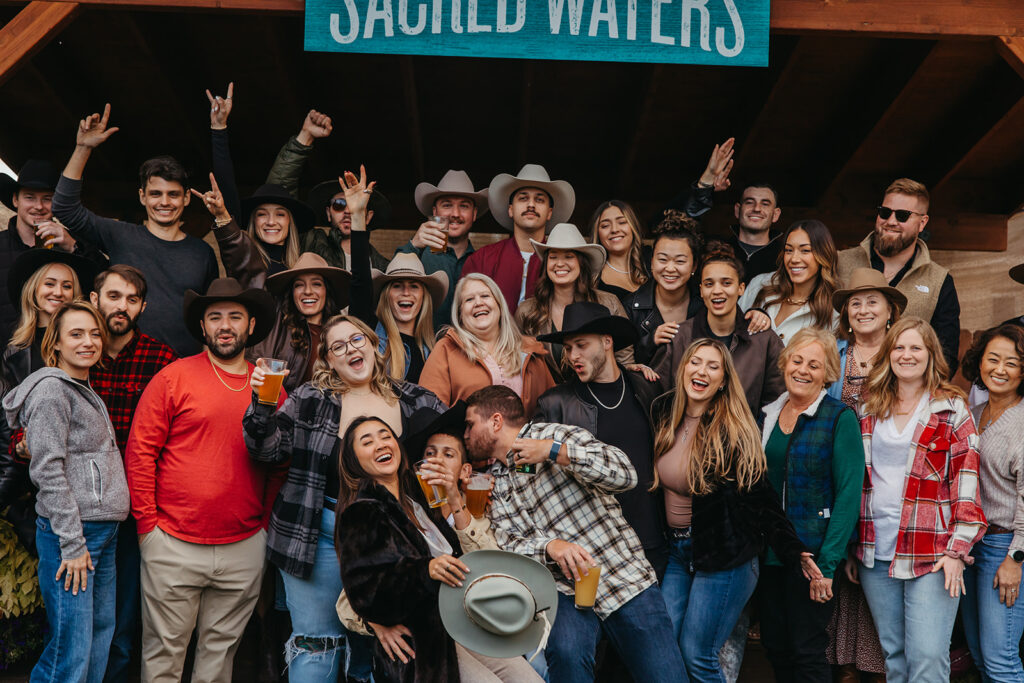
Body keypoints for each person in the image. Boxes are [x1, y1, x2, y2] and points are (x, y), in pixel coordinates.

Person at [242, 313, 445, 682]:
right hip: (316, 532)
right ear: (329, 362)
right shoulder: (310, 400)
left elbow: (451, 451)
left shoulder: (417, 401)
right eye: (337, 346)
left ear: (374, 345)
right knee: (318, 647)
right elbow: (266, 450)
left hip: (391, 538)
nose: (350, 348)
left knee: (383, 648)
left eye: (357, 340)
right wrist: (262, 404)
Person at [462, 385, 686, 683]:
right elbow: (508, 547)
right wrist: (550, 547)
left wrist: (556, 452)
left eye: (469, 424)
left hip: (620, 576)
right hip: (563, 592)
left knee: (666, 677)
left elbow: (626, 474)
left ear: (496, 421)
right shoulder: (496, 484)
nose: (465, 435)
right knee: (566, 656)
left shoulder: (556, 435)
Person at [125, 278, 285, 682]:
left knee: (219, 661)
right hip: (172, 543)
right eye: (215, 317)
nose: (225, 325)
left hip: (244, 545)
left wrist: (263, 530)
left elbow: (281, 465)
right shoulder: (173, 378)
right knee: (163, 657)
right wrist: (148, 528)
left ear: (251, 326)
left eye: (235, 316)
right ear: (202, 327)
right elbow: (140, 452)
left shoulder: (272, 390)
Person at [650, 337, 821, 682]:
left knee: (697, 655)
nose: (702, 371)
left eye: (713, 366)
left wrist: (793, 549)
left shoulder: (733, 429)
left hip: (725, 557)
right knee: (663, 645)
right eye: (695, 362)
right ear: (683, 369)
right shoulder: (664, 413)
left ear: (724, 380)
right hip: (679, 553)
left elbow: (762, 497)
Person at [335, 415, 543, 682]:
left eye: (386, 436)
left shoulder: (418, 503)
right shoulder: (363, 511)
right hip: (426, 645)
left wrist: (455, 496)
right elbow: (362, 590)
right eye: (367, 442)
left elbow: (485, 563)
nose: (380, 444)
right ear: (354, 460)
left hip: (461, 624)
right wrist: (378, 619)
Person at [853, 317, 986, 682]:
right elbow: (858, 480)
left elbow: (967, 482)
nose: (906, 355)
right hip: (876, 550)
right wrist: (854, 547)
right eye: (899, 347)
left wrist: (957, 551)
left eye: (916, 348)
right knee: (893, 656)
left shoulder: (951, 408)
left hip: (934, 549)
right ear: (888, 353)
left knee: (927, 656)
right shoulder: (868, 407)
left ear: (931, 355)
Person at [3, 300, 129, 683]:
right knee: (69, 652)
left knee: (96, 639)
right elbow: (48, 471)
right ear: (55, 343)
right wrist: (72, 544)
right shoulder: (52, 393)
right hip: (74, 537)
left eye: (94, 333)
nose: (88, 342)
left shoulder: (81, 386)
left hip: (102, 533)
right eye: (76, 334)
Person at [52, 104, 219, 356]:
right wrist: (83, 148)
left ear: (186, 199)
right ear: (142, 197)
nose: (164, 202)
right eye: (155, 194)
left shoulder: (202, 252)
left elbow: (210, 317)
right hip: (124, 366)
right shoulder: (120, 235)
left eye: (173, 194)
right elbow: (65, 208)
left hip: (182, 371)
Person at [756, 327, 863, 681]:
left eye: (814, 365)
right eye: (797, 360)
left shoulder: (839, 419)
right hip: (769, 554)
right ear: (784, 364)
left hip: (814, 559)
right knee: (776, 645)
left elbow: (848, 495)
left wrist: (828, 564)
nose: (803, 370)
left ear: (828, 374)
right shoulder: (766, 415)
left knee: (807, 650)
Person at [86, 265, 178, 682]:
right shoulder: (77, 352)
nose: (121, 306)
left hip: (137, 506)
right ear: (94, 299)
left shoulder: (161, 359)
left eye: (131, 299)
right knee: (77, 620)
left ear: (143, 306)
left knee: (124, 621)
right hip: (81, 508)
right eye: (113, 296)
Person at [534, 302, 667, 575]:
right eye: (568, 348)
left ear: (607, 342)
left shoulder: (646, 387)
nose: (573, 355)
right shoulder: (555, 404)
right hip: (595, 545)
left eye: (581, 345)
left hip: (652, 536)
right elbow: (528, 468)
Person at [825, 267, 906, 681]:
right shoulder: (834, 354)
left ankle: (880, 671)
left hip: (887, 486)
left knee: (881, 589)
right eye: (855, 302)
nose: (863, 309)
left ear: (890, 309)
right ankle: (846, 670)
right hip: (840, 484)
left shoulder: (903, 354)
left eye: (872, 300)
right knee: (842, 582)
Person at [837, 178, 960, 371]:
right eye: (885, 213)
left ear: (922, 222)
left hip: (906, 392)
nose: (891, 222)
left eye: (902, 216)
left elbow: (946, 355)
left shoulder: (939, 280)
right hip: (839, 384)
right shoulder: (840, 262)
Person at [652, 241, 784, 416]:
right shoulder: (679, 338)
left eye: (726, 283)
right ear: (701, 290)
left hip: (743, 441)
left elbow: (776, 404)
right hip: (687, 439)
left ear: (741, 288)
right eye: (708, 284)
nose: (717, 291)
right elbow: (659, 400)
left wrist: (752, 440)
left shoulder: (764, 340)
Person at [960, 324, 1024, 682]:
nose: (1000, 369)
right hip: (969, 545)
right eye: (993, 359)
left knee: (1001, 661)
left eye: (1012, 363)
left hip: (1005, 546)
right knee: (981, 658)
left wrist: (1015, 559)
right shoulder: (973, 412)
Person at [342, 166, 446, 383]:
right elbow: (360, 281)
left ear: (424, 296)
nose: (406, 292)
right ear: (386, 295)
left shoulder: (433, 349)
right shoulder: (369, 333)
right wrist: (358, 216)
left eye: (414, 286)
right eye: (397, 285)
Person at [204, 83, 316, 279]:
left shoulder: (301, 266)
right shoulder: (243, 257)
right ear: (253, 222)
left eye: (280, 214)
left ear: (291, 221)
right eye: (262, 214)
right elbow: (227, 191)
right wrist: (218, 129)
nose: (271, 222)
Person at [419, 273, 555, 416]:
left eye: (485, 296)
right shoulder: (446, 349)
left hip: (524, 437)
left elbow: (552, 409)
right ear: (460, 314)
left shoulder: (530, 350)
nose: (478, 303)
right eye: (469, 299)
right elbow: (429, 414)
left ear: (499, 304)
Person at [0, 159, 104, 344]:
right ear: (15, 200)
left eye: (47, 199)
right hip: (5, 359)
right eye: (30, 197)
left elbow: (104, 282)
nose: (39, 206)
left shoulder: (74, 244)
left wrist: (72, 245)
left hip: (60, 354)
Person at [515, 223, 635, 380]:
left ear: (581, 263)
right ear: (546, 265)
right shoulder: (526, 311)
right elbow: (516, 361)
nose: (559, 263)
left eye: (569, 256)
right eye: (553, 257)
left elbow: (624, 359)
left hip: (597, 397)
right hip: (547, 400)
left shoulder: (607, 303)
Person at [461, 164, 575, 314]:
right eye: (523, 198)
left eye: (539, 200)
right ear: (510, 210)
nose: (531, 205)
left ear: (549, 212)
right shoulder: (481, 259)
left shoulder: (562, 263)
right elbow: (465, 313)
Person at [244, 251, 349, 393]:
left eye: (316, 284)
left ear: (327, 291)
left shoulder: (342, 333)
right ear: (292, 293)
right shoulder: (277, 328)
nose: (307, 291)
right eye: (299, 285)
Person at [396, 169, 488, 326]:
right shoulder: (418, 255)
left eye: (464, 206)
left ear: (474, 214)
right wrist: (414, 245)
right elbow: (391, 286)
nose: (455, 214)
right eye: (447, 205)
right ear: (434, 211)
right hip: (425, 348)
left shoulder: (484, 262)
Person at [2, 248, 98, 391]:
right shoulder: (14, 351)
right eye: (49, 284)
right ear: (34, 289)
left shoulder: (90, 342)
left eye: (67, 286)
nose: (58, 292)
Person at [622, 212, 705, 365]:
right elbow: (622, 364)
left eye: (680, 261)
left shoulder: (705, 303)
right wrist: (650, 341)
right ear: (652, 261)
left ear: (694, 265)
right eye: (662, 259)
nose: (670, 268)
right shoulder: (630, 307)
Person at [740, 219, 840, 344]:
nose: (794, 259)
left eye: (805, 250)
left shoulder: (834, 313)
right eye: (789, 250)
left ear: (823, 255)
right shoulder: (760, 284)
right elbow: (730, 331)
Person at [587, 200, 653, 301]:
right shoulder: (591, 278)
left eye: (622, 222)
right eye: (605, 226)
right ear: (598, 234)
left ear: (633, 226)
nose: (614, 229)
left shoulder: (652, 259)